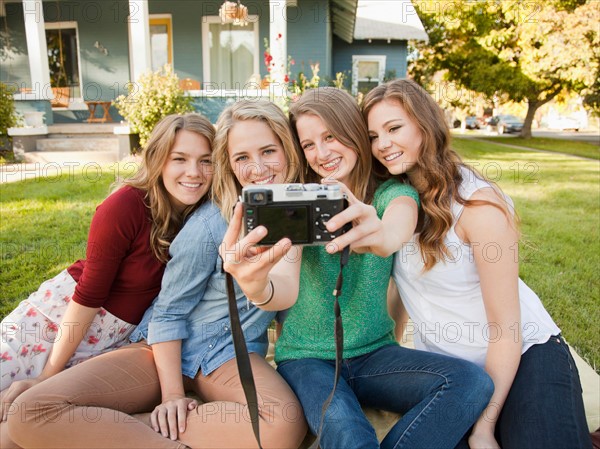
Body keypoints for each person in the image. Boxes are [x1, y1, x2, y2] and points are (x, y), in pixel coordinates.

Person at [7, 100, 307, 449]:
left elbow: (285, 287)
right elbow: (168, 312)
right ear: (230, 164)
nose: (257, 168)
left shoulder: (297, 212)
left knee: (283, 424)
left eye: (269, 151)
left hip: (225, 356)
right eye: (241, 158)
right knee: (29, 413)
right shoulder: (211, 224)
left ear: (288, 149)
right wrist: (172, 396)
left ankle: (126, 427)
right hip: (164, 351)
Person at [220, 87, 495, 449]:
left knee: (471, 382)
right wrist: (256, 288)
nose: (322, 153)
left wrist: (375, 232)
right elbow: (283, 286)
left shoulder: (391, 195)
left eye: (331, 136)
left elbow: (396, 229)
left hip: (375, 356)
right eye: (308, 145)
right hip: (307, 359)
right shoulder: (302, 200)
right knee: (349, 434)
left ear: (354, 132)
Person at [363, 79, 592, 449]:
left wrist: (484, 426)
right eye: (373, 136)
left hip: (522, 355)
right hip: (455, 372)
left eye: (394, 128)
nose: (383, 145)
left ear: (425, 125)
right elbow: (404, 285)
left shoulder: (478, 206)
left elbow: (506, 329)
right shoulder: (393, 201)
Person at [0, 113, 214, 409]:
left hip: (112, 340)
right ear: (158, 160)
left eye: (206, 161)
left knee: (35, 416)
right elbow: (89, 294)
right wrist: (48, 374)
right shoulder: (125, 205)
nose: (194, 172)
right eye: (180, 159)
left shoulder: (203, 215)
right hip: (58, 323)